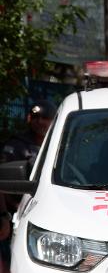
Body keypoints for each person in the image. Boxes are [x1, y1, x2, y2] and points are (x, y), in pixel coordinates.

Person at [0, 99, 57, 272]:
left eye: (45, 117)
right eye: (36, 117)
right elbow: (2, 183)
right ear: (28, 119)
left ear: (54, 120)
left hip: (55, 212)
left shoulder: (62, 145)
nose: (40, 121)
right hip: (17, 214)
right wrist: (4, 217)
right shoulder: (15, 146)